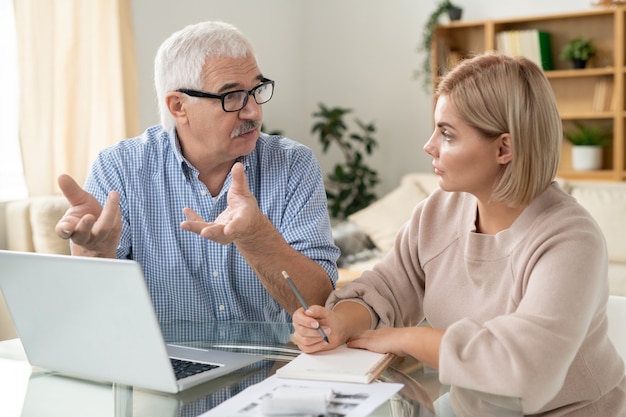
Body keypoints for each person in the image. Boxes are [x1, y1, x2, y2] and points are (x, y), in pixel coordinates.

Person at [292, 52, 626, 416]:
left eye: (447, 134)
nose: (429, 145)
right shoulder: (439, 211)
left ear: (504, 148)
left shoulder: (571, 240)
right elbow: (385, 289)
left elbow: (527, 367)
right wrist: (340, 321)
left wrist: (407, 338)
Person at [54, 21, 339, 324]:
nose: (253, 111)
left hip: (269, 366)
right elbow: (94, 317)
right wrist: (94, 256)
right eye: (231, 96)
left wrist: (256, 236)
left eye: (256, 90)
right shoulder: (120, 168)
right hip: (160, 366)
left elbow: (319, 303)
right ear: (178, 106)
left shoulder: (293, 164)